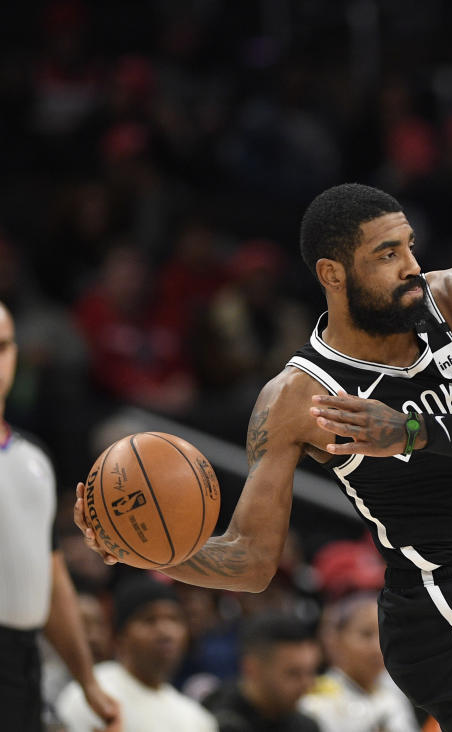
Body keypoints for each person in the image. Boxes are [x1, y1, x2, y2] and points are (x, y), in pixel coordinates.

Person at [76, 183, 452, 730]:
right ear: (333, 274)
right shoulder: (298, 398)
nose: (411, 266)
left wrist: (412, 431)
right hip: (437, 603)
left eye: (409, 247)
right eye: (387, 255)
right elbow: (251, 561)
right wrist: (144, 550)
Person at [0, 300, 120, 732]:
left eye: (3, 347)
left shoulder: (34, 459)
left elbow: (50, 581)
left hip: (21, 661)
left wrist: (87, 680)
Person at [54, 576, 214, 732]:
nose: (165, 632)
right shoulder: (93, 695)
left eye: (174, 619)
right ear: (121, 636)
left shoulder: (197, 718)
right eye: (149, 620)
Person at [299, 593, 420, 732]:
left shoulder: (396, 694)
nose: (377, 648)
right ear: (334, 640)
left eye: (383, 635)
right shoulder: (315, 701)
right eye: (366, 634)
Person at [203, 613, 321, 732]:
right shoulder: (211, 722)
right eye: (293, 673)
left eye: (311, 672)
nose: (307, 685)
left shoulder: (305, 726)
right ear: (251, 669)